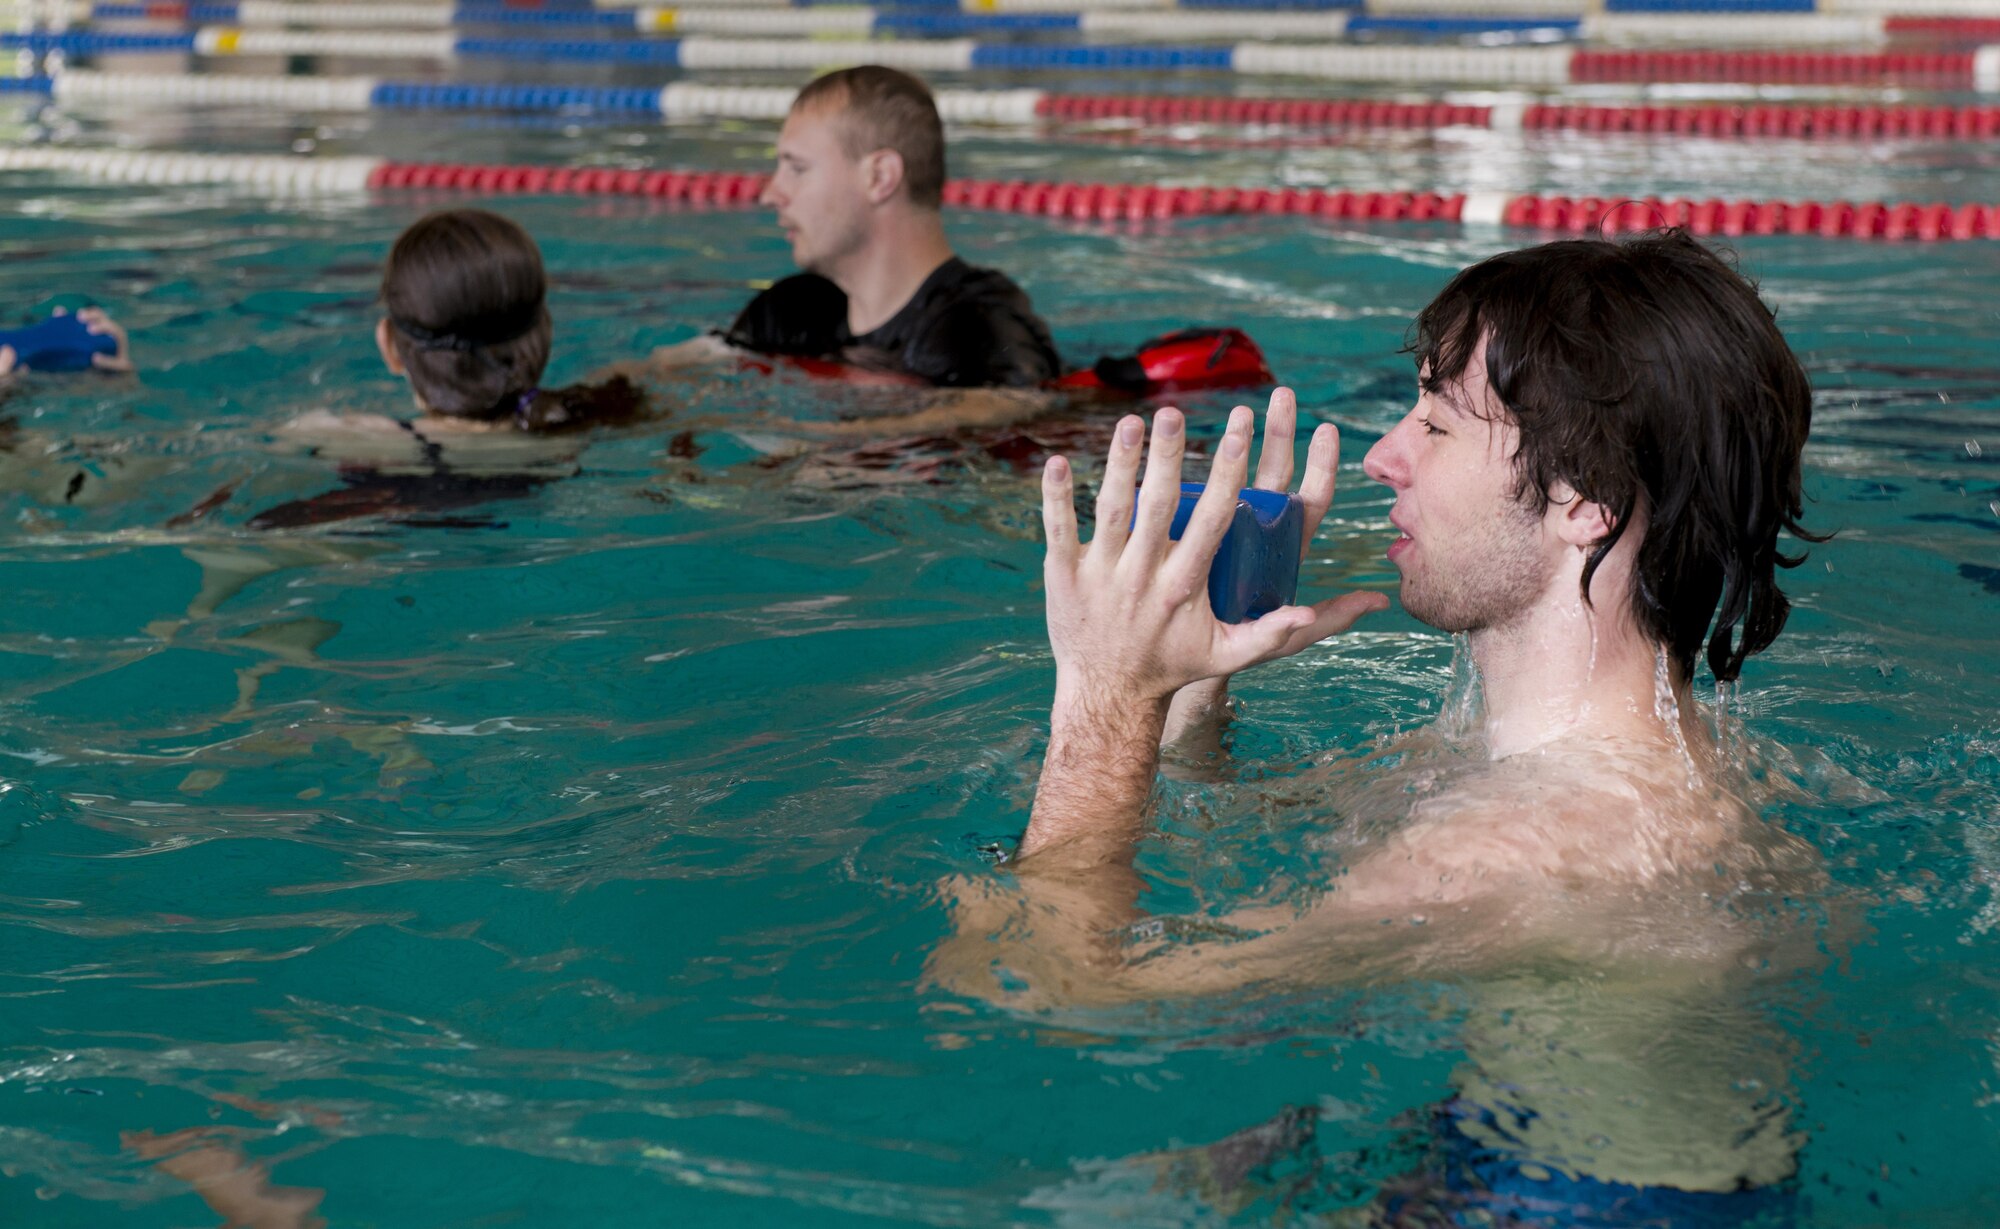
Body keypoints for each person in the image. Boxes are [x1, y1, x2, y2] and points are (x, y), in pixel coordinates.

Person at [928, 230, 1828, 1220]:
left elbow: (1033, 985)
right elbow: (1221, 831)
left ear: (1586, 502)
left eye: (1435, 427)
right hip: (1519, 1157)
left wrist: (1101, 696)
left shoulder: (1517, 847)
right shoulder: (1608, 776)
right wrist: (1192, 675)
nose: (1381, 455)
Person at [615, 66, 1061, 410]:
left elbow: (1012, 415)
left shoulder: (976, 329)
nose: (771, 193)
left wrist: (811, 446)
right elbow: (663, 373)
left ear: (879, 178)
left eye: (797, 168)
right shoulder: (792, 311)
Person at [262, 207, 649, 528]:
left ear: (389, 347)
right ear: (545, 335)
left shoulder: (334, 435)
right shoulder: (587, 418)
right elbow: (642, 374)